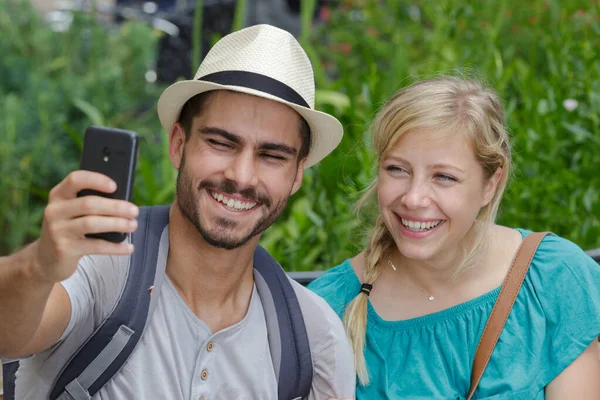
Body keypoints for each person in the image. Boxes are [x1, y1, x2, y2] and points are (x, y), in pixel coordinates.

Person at [0, 24, 355, 399]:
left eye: (272, 156)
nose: (242, 176)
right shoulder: (102, 265)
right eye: (221, 143)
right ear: (177, 143)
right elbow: (9, 335)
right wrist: (36, 267)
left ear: (297, 174)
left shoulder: (314, 338)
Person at [308, 76, 600, 399]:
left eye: (443, 177)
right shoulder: (330, 309)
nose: (414, 198)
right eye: (397, 170)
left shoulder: (553, 281)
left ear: (490, 184)